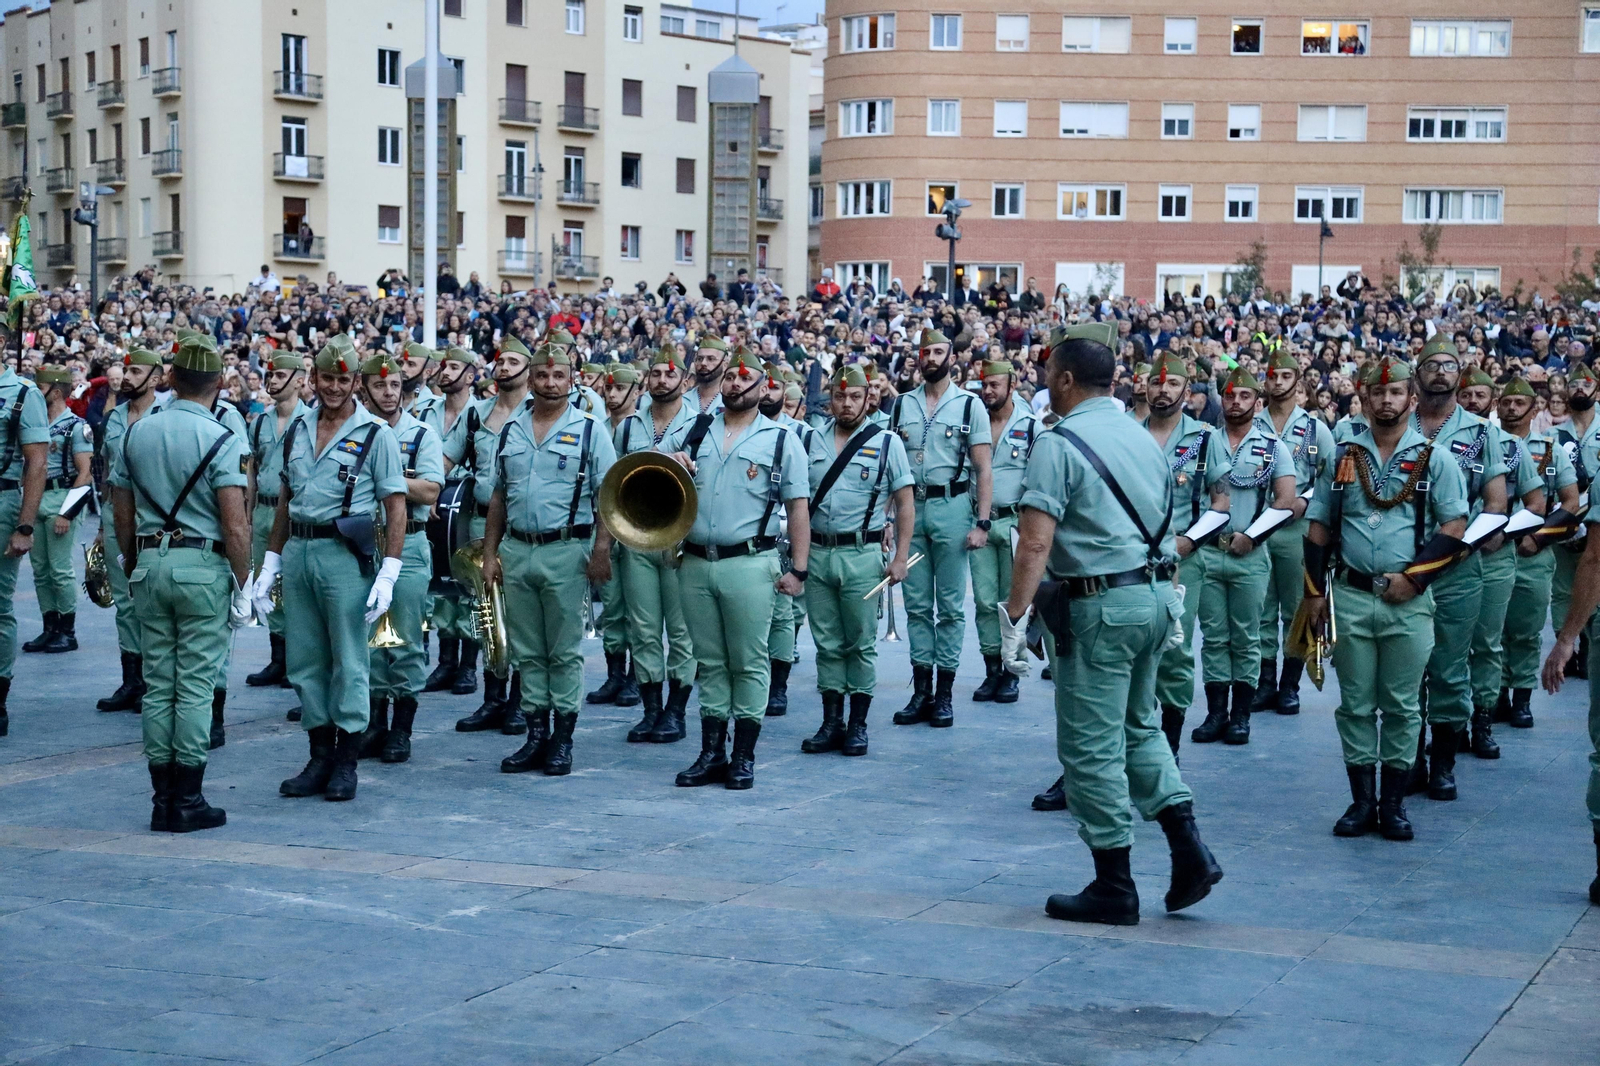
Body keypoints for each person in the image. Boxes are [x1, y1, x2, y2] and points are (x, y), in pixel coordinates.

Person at [1000, 323, 1222, 926]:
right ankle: (1188, 849)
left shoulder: (1058, 442)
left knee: (1090, 744)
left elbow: (1034, 543)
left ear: (1066, 379)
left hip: (1097, 608)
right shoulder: (1142, 436)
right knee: (1139, 728)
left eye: (1049, 376)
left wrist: (1014, 617)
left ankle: (1114, 883)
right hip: (1149, 598)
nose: (1046, 386)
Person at [1303, 357, 1469, 841]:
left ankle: (1393, 804)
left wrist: (1414, 579)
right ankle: (1361, 802)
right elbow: (1318, 527)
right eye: (1377, 394)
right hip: (1352, 595)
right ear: (1364, 398)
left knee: (1400, 705)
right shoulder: (1343, 456)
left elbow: (1454, 526)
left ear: (1410, 398)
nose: (1386, 400)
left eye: (1396, 392)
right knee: (1354, 704)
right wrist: (1314, 596)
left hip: (1408, 601)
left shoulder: (1434, 458)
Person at [254, 334, 408, 802]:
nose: (335, 387)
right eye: (327, 378)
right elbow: (285, 498)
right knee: (305, 661)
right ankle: (318, 754)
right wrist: (271, 563)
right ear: (313, 379)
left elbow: (395, 507)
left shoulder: (375, 434)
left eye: (343, 379)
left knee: (350, 661)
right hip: (300, 550)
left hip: (344, 556)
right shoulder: (297, 429)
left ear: (356, 381)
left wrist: (389, 571)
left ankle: (346, 760)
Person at [109, 334, 252, 831]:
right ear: (219, 382)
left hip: (149, 563)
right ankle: (186, 799)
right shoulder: (221, 436)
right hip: (202, 566)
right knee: (193, 686)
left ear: (169, 378)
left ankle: (160, 798)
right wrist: (243, 582)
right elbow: (235, 524)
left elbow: (121, 515)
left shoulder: (135, 433)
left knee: (157, 686)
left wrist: (133, 565)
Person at [661, 348, 810, 790]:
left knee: (747, 661)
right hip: (695, 559)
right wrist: (673, 464)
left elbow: (798, 509)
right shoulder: (695, 430)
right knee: (709, 661)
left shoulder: (782, 440)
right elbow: (654, 475)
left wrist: (798, 570)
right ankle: (711, 752)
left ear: (765, 388)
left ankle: (743, 756)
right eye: (729, 379)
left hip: (749, 560)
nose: (734, 385)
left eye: (746, 380)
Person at [488, 344, 616, 775]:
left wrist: (601, 550)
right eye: (542, 376)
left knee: (562, 651)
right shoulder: (511, 430)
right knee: (527, 651)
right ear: (532, 379)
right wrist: (489, 554)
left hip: (566, 549)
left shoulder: (589, 429)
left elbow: (609, 498)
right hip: (518, 548)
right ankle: (535, 735)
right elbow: (498, 497)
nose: (549, 383)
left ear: (571, 378)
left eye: (558, 375)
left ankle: (562, 739)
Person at [1410, 336, 1509, 801]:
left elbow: (1495, 504)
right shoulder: (1394, 424)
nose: (1441, 372)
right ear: (1418, 374)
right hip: (1402, 568)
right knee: (1404, 672)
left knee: (1449, 668)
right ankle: (1405, 760)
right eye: (1432, 365)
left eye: (1450, 365)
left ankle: (1443, 762)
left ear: (1460, 374)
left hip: (1456, 568)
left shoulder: (1481, 433)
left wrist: (1464, 542)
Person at [801, 363, 914, 755]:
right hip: (817, 552)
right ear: (829, 398)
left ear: (870, 399)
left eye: (854, 397)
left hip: (862, 552)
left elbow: (904, 503)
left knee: (860, 643)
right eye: (838, 396)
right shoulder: (811, 440)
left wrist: (900, 556)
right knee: (827, 643)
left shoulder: (887, 443)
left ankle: (858, 724)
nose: (845, 404)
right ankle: (831, 721)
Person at [889, 328, 993, 728]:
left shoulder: (969, 406)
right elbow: (891, 469)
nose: (930, 358)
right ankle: (921, 692)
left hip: (951, 506)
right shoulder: (901, 405)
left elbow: (983, 468)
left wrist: (982, 521)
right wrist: (886, 520)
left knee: (949, 607)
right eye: (924, 352)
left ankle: (945, 694)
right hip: (910, 508)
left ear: (952, 356)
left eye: (937, 351)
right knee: (916, 605)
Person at [1190, 368, 1297, 747]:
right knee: (1214, 636)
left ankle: (1241, 715)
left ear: (1257, 401)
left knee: (1247, 635)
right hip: (1207, 550)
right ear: (1222, 399)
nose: (1236, 402)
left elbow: (1285, 501)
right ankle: (1216, 711)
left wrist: (1252, 536)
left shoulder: (1272, 446)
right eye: (1230, 396)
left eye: (1244, 396)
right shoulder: (1203, 442)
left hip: (1249, 554)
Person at [442, 338, 536, 733]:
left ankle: (519, 701)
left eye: (513, 360)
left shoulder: (539, 414)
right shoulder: (476, 415)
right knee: (487, 615)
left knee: (520, 618)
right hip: (482, 524)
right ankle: (492, 699)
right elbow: (445, 459)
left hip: (523, 528)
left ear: (528, 370)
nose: (503, 366)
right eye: (499, 360)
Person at [357, 351, 444, 764]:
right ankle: (374, 720)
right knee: (370, 638)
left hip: (408, 543)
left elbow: (430, 491)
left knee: (405, 636)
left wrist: (388, 479)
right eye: (380, 385)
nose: (389, 392)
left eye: (395, 385)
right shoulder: (356, 431)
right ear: (366, 388)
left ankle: (402, 728)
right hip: (364, 543)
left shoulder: (421, 433)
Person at [1459, 369, 1543, 758]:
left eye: (1480, 395)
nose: (1472, 401)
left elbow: (1536, 504)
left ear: (1490, 402)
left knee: (1487, 643)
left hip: (1492, 557)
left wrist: (1505, 533)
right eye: (1466, 395)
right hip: (1446, 557)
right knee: (1446, 645)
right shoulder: (1436, 444)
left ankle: (1482, 718)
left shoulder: (1511, 447)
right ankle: (1449, 722)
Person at [620, 349, 699, 743]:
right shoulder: (629, 424)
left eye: (670, 375)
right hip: (637, 534)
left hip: (680, 537)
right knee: (644, 628)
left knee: (681, 630)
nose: (662, 381)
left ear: (684, 380)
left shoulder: (702, 423)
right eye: (655, 374)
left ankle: (676, 711)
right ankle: (651, 710)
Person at [1252, 350, 1334, 715]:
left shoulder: (1316, 429)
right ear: (1265, 382)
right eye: (1273, 376)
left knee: (1297, 607)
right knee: (1261, 609)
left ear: (1298, 381)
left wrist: (1304, 498)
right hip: (1258, 527)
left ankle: (1290, 684)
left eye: (1286, 376)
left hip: (1297, 528)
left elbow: (1332, 480)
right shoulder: (1253, 425)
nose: (1279, 382)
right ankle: (1264, 681)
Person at [1496, 377, 1579, 740]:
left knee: (1527, 630)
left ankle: (1522, 698)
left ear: (1535, 409)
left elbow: (1572, 503)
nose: (1512, 408)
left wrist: (1540, 538)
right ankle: (1492, 697)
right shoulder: (1484, 444)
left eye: (1520, 403)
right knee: (1491, 629)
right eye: (1507, 402)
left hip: (1533, 552)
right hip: (1493, 549)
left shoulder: (1551, 449)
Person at [95, 348, 165, 714]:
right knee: (124, 602)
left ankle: (154, 681)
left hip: (153, 518)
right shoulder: (115, 417)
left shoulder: (166, 416)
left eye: (135, 371)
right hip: (114, 517)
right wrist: (102, 524)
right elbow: (108, 471)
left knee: (150, 601)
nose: (126, 377)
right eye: (125, 370)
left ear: (155, 378)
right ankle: (132, 680)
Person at [969, 359, 1039, 703]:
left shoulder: (1030, 426)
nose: (988, 391)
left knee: (1015, 601)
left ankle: (1013, 669)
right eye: (985, 385)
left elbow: (1039, 476)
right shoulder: (975, 422)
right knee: (984, 600)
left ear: (1012, 385)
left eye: (995, 385)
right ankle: (991, 669)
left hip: (1015, 521)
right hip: (982, 521)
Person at [243, 353, 309, 698]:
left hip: (295, 513)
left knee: (293, 586)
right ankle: (278, 658)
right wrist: (248, 512)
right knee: (267, 586)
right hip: (265, 510)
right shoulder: (259, 422)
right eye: (270, 373)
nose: (272, 379)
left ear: (300, 379)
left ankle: (298, 659)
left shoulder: (311, 420)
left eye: (280, 374)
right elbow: (252, 469)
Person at [418, 345, 482, 695]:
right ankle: (445, 662)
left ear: (470, 375)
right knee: (441, 583)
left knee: (470, 584)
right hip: (433, 504)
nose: (445, 372)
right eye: (443, 366)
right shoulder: (427, 411)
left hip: (467, 506)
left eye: (454, 367)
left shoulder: (478, 413)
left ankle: (469, 666)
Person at [22, 366, 92, 654]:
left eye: (42, 387)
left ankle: (67, 630)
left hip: (61, 496)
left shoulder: (76, 425)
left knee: (61, 569)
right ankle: (49, 627)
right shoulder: (35, 423)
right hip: (36, 497)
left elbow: (85, 472)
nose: (38, 392)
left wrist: (68, 512)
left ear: (57, 391)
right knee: (40, 569)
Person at [592, 362, 642, 715]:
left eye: (618, 388)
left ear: (635, 391)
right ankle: (614, 673)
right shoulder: (594, 428)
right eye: (607, 388)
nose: (611, 394)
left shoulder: (640, 429)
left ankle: (637, 676)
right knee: (612, 605)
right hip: (603, 525)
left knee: (639, 607)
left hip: (636, 523)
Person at [1552, 363, 1599, 679]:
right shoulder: (1553, 434)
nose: (1580, 389)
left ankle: (1590, 643)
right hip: (1567, 521)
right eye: (1574, 385)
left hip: (1597, 518)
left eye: (1586, 384)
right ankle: (1571, 642)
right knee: (1563, 588)